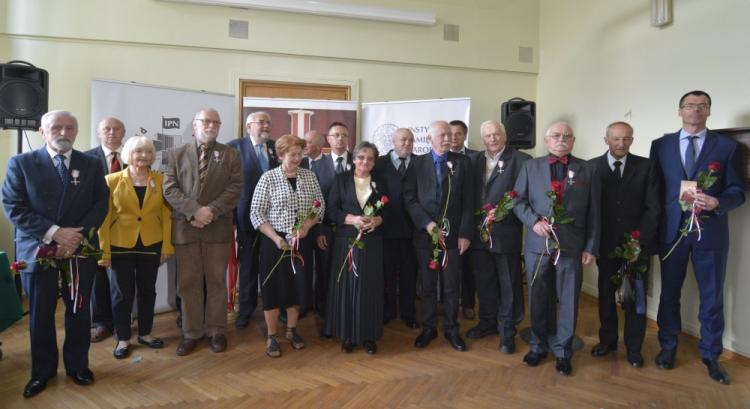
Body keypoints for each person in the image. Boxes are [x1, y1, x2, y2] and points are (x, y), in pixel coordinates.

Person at [2, 110, 108, 398]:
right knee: (40, 314)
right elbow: (13, 206)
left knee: (78, 310)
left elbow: (101, 203)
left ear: (76, 131)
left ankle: (78, 366)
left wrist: (74, 237)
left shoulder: (92, 164)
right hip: (38, 248)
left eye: (70, 127)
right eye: (56, 127)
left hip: (79, 248)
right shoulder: (21, 163)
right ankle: (42, 372)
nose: (63, 133)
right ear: (42, 131)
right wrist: (54, 233)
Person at [649, 90, 745, 384]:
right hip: (672, 232)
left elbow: (737, 191)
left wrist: (718, 203)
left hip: (710, 234)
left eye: (702, 106)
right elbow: (654, 190)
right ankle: (668, 346)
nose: (696, 110)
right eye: (690, 105)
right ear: (680, 111)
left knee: (712, 296)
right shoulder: (661, 145)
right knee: (669, 293)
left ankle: (711, 354)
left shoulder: (726, 147)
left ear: (709, 112)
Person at [513, 122, 600, 376]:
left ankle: (563, 350)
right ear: (546, 140)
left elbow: (594, 212)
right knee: (538, 296)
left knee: (569, 298)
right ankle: (538, 345)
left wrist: (591, 247)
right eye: (556, 136)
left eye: (566, 136)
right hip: (537, 245)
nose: (561, 139)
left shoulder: (588, 169)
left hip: (571, 246)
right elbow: (517, 201)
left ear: (573, 141)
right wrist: (533, 221)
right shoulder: (530, 167)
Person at [163, 108, 242, 356]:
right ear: (195, 125)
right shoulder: (176, 154)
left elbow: (235, 188)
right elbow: (170, 188)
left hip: (217, 228)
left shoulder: (231, 155)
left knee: (217, 282)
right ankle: (191, 333)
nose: (211, 126)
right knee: (188, 283)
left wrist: (211, 212)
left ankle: (217, 330)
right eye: (206, 121)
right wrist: (195, 211)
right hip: (186, 228)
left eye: (215, 122)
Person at [589, 122, 660, 368]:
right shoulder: (592, 167)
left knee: (636, 298)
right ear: (606, 139)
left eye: (627, 139)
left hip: (636, 246)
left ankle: (634, 348)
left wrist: (638, 240)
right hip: (605, 244)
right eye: (616, 139)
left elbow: (654, 208)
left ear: (632, 140)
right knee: (606, 295)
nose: (621, 144)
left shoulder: (647, 167)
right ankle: (607, 341)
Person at [98, 136, 174, 359]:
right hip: (119, 244)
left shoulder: (160, 180)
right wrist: (104, 251)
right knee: (121, 294)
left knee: (147, 291)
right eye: (138, 152)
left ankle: (146, 333)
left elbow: (167, 216)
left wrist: (167, 247)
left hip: (152, 243)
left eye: (148, 152)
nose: (144, 156)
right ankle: (122, 338)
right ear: (128, 154)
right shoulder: (111, 180)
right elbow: (104, 218)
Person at [250, 134, 324, 357]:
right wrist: (275, 237)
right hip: (275, 242)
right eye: (293, 154)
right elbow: (256, 213)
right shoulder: (268, 178)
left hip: (301, 241)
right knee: (273, 288)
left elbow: (319, 207)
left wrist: (306, 228)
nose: (298, 158)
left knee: (298, 286)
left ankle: (292, 331)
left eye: (300, 154)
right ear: (281, 155)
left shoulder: (309, 177)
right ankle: (272, 336)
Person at [404, 120, 474, 352]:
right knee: (427, 285)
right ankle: (429, 327)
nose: (447, 139)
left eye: (450, 135)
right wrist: (427, 224)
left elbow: (467, 202)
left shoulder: (462, 162)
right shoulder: (417, 163)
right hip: (425, 236)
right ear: (429, 139)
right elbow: (410, 198)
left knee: (452, 285)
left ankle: (452, 330)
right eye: (442, 135)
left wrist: (465, 233)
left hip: (454, 236)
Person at [466, 120, 530, 353]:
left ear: (504, 135)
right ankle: (487, 323)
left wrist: (505, 210)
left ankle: (508, 332)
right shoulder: (473, 161)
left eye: (496, 134)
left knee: (509, 285)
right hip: (478, 235)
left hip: (506, 233)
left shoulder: (522, 161)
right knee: (484, 283)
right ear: (482, 139)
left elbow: (524, 195)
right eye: (488, 135)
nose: (492, 139)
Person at [325, 141, 387, 354]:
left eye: (370, 159)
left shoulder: (380, 182)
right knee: (347, 288)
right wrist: (350, 218)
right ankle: (347, 335)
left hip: (372, 243)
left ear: (374, 162)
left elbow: (390, 211)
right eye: (361, 157)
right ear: (354, 159)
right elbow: (331, 211)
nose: (365, 162)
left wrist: (378, 220)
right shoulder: (341, 180)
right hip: (346, 242)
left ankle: (369, 336)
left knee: (369, 288)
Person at [227, 111, 279, 330]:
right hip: (245, 217)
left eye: (268, 122)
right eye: (261, 122)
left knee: (273, 265)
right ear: (248, 126)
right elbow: (226, 186)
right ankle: (245, 310)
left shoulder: (276, 148)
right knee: (248, 265)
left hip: (275, 218)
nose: (266, 126)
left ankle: (274, 307)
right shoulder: (234, 147)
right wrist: (231, 219)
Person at [373, 128, 419, 329]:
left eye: (410, 140)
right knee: (386, 273)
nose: (406, 143)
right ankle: (388, 310)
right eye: (402, 139)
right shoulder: (379, 163)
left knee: (410, 274)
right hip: (385, 230)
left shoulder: (420, 163)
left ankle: (408, 312)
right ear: (393, 141)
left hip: (413, 231)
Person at [86, 117, 126, 343]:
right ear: (99, 133)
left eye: (116, 128)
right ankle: (101, 322)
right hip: (96, 228)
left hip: (125, 229)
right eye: (106, 129)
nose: (111, 132)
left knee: (124, 279)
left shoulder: (134, 156)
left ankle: (123, 321)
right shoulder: (85, 158)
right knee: (99, 277)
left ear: (123, 132)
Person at [313, 122, 353, 321]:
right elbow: (315, 202)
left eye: (344, 135)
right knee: (325, 271)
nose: (340, 139)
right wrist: (319, 230)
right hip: (326, 229)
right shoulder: (317, 165)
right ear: (328, 139)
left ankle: (347, 307)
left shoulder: (359, 162)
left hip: (352, 230)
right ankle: (324, 311)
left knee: (349, 270)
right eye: (336, 135)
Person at [449, 119, 477, 320]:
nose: (453, 137)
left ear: (465, 135)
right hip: (445, 224)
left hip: (467, 220)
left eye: (458, 133)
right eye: (450, 133)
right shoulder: (440, 158)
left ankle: (468, 303)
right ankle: (446, 303)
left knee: (468, 266)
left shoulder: (475, 158)